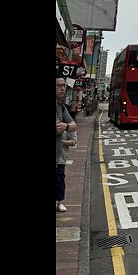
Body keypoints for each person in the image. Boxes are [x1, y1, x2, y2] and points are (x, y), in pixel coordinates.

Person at [56, 76, 76, 213]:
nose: (63, 88)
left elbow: (74, 126)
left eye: (64, 85)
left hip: (59, 156)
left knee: (59, 180)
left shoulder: (61, 107)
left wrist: (65, 126)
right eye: (59, 86)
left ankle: (59, 202)